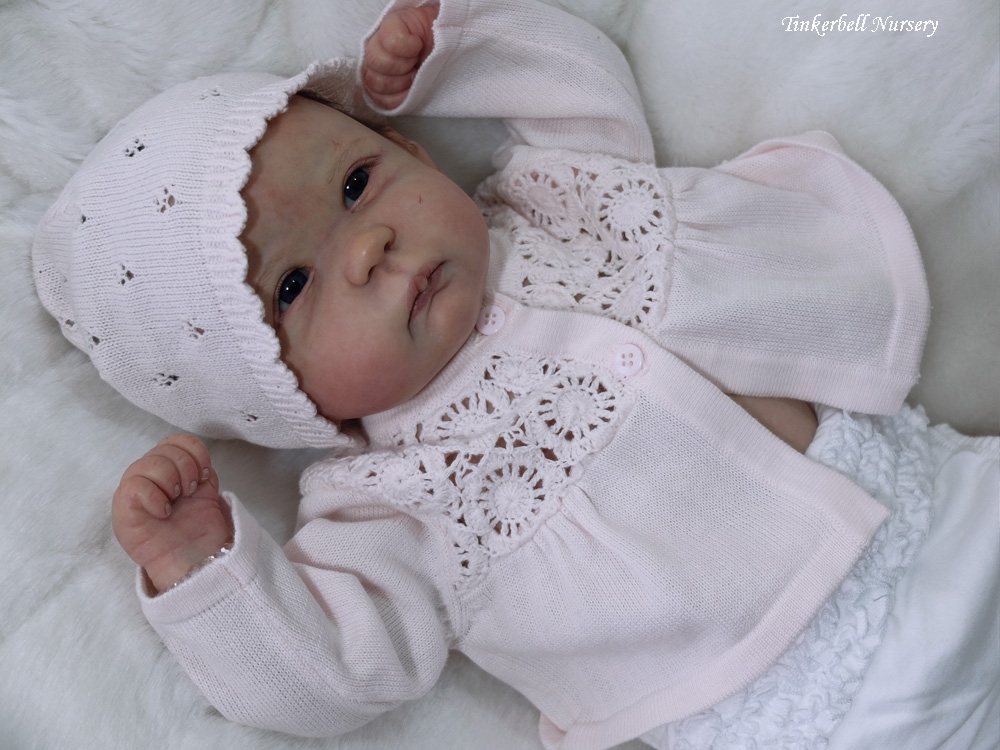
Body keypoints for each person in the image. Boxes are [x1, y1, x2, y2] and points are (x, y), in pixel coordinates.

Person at [29, 0, 997, 748]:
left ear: (406, 147)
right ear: (276, 398)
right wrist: (202, 566)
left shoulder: (548, 197)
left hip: (934, 502)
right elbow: (328, 675)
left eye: (357, 183)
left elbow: (580, 83)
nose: (366, 245)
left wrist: (451, 52)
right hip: (817, 711)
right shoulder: (386, 506)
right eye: (292, 285)